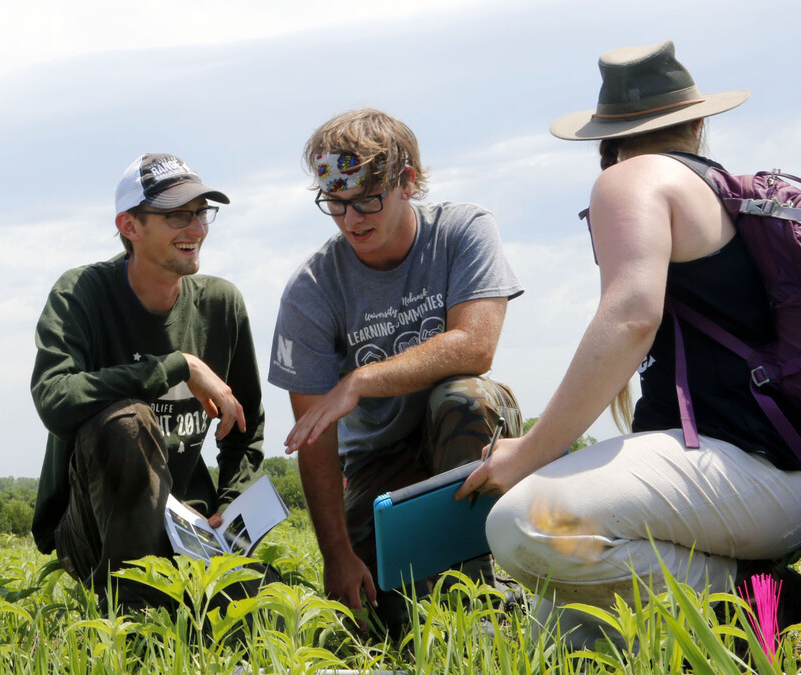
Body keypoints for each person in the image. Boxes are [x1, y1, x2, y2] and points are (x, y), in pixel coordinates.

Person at [460, 40, 801, 648]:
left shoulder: (629, 178)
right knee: (562, 633)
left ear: (605, 138)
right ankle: (754, 625)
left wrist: (532, 450)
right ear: (697, 122)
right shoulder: (724, 193)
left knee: (526, 526)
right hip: (772, 482)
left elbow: (630, 317)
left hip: (750, 474)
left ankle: (770, 604)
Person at [269, 108, 523, 634]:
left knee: (462, 397)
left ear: (408, 182)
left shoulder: (462, 230)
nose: (352, 220)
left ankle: (481, 605)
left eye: (366, 201)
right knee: (380, 620)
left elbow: (476, 346)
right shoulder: (311, 289)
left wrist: (360, 380)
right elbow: (316, 439)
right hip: (379, 464)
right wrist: (337, 556)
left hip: (466, 439)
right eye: (335, 205)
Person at [31, 153, 267, 608]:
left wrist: (231, 500)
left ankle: (184, 589)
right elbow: (54, 399)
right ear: (129, 226)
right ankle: (133, 614)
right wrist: (177, 366)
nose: (196, 229)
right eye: (177, 215)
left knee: (261, 610)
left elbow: (246, 426)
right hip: (92, 530)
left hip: (188, 524)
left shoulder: (221, 304)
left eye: (201, 213)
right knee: (129, 422)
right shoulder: (81, 293)